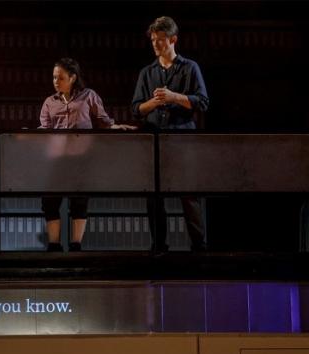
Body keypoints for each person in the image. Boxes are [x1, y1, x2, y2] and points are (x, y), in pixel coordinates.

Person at [131, 16, 209, 253]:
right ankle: (159, 246)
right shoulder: (147, 73)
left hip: (182, 140)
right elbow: (136, 109)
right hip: (154, 141)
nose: (156, 44)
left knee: (188, 194)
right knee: (154, 196)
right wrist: (153, 102)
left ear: (173, 40)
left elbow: (203, 102)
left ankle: (199, 246)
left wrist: (174, 96)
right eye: (153, 40)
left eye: (161, 40)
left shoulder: (189, 68)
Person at [39, 58, 134, 252]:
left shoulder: (88, 96)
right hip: (56, 159)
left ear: (73, 77)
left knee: (79, 201)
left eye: (61, 77)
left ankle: (76, 244)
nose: (56, 81)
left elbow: (102, 121)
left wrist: (116, 127)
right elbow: (45, 129)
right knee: (50, 200)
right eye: (54, 77)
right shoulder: (50, 101)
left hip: (80, 158)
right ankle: (54, 245)